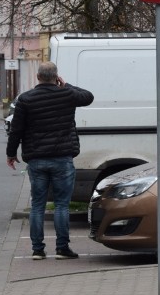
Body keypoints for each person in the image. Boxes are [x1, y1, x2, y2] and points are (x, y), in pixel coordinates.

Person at [6, 62, 94, 260]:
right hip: (63, 157)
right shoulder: (67, 94)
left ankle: (38, 249)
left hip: (37, 159)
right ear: (56, 77)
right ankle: (62, 248)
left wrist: (11, 153)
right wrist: (67, 85)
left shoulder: (26, 99)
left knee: (38, 204)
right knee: (62, 205)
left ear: (37, 77)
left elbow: (16, 130)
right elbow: (88, 97)